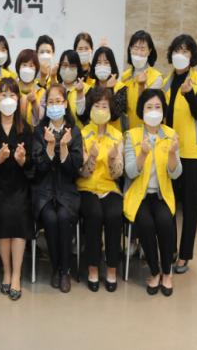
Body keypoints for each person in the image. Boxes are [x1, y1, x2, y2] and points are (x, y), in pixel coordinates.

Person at [124, 89, 181, 296]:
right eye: (149, 107)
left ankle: (167, 272)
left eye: (158, 107)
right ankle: (155, 272)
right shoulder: (132, 135)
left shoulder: (171, 135)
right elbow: (130, 171)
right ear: (142, 110)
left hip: (161, 195)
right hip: (139, 195)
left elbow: (176, 174)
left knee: (165, 222)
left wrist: (173, 154)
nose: (154, 111)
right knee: (146, 224)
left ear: (163, 110)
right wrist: (142, 154)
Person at [0, 78, 33, 300]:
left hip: (20, 186)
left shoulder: (26, 129)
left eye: (12, 95)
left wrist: (23, 161)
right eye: (3, 94)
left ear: (18, 99)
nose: (7, 99)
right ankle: (6, 271)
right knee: (3, 215)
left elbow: (33, 167)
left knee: (19, 215)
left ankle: (16, 275)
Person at [32, 83, 83, 293]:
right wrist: (50, 147)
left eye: (58, 101)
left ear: (65, 104)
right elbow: (38, 167)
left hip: (67, 192)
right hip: (44, 192)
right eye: (50, 102)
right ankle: (56, 268)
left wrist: (63, 147)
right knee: (50, 219)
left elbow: (75, 167)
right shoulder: (39, 130)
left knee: (63, 217)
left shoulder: (74, 131)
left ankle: (65, 271)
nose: (54, 106)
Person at [163, 35, 197, 274]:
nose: (181, 54)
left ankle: (184, 255)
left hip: (190, 152)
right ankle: (170, 249)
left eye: (186, 51)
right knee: (169, 202)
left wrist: (189, 93)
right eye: (177, 50)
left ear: (192, 56)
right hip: (169, 151)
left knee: (189, 207)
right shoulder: (166, 82)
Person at [77, 87, 123, 293]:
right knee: (94, 215)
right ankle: (93, 267)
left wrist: (113, 159)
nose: (101, 110)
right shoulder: (82, 133)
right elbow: (82, 172)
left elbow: (117, 174)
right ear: (90, 108)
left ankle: (112, 268)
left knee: (114, 215)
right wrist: (92, 158)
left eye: (105, 106)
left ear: (110, 110)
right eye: (97, 106)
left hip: (109, 188)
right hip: (86, 188)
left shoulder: (117, 136)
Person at [121, 30, 163, 129]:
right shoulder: (125, 76)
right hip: (128, 130)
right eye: (135, 48)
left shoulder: (156, 77)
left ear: (149, 51)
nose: (138, 53)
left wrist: (141, 86)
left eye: (143, 49)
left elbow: (149, 107)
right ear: (130, 49)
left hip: (148, 129)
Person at [82, 47, 128, 130]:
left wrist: (109, 89)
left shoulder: (121, 88)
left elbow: (114, 116)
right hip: (92, 133)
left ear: (112, 66)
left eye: (106, 62)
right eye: (99, 62)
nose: (102, 66)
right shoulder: (90, 87)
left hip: (113, 134)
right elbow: (85, 115)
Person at [57, 50, 90, 130]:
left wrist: (80, 93)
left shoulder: (87, 89)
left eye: (72, 66)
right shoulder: (55, 89)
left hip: (79, 134)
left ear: (78, 68)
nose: (67, 69)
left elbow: (85, 118)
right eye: (64, 65)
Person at [15, 49, 45, 126]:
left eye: (31, 66)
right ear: (18, 67)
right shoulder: (11, 88)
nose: (27, 69)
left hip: (34, 133)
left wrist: (34, 103)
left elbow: (42, 119)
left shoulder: (42, 92)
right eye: (24, 65)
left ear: (36, 69)